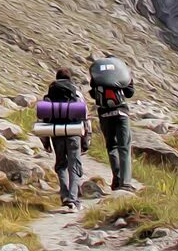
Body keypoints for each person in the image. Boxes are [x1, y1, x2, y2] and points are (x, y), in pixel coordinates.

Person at [42, 68, 90, 210]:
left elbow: (43, 118)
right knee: (74, 166)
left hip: (56, 133)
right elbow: (85, 117)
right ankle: (73, 199)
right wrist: (86, 140)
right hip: (74, 132)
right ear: (70, 78)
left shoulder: (49, 94)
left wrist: (46, 142)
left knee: (61, 164)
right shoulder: (76, 93)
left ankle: (64, 195)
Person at [90, 56, 136, 191]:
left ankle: (116, 179)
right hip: (121, 112)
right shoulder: (122, 73)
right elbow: (130, 93)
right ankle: (126, 183)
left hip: (104, 114)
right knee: (124, 147)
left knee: (111, 146)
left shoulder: (98, 73)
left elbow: (94, 94)